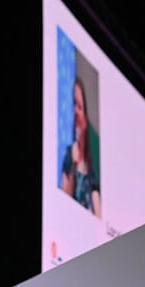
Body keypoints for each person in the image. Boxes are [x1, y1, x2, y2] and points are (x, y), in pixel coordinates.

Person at [60, 76, 101, 218]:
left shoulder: (91, 165)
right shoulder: (68, 154)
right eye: (73, 104)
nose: (76, 111)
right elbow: (64, 200)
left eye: (80, 106)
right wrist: (73, 164)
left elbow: (98, 215)